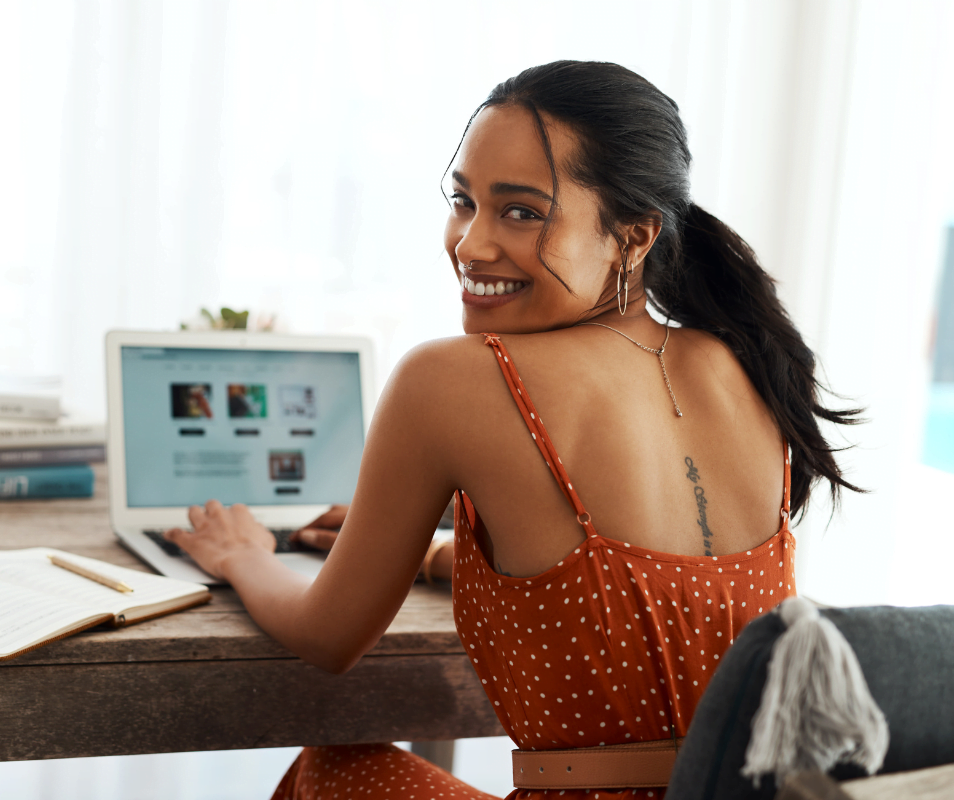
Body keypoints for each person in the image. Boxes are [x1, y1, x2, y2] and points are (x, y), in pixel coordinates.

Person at [164, 60, 859, 799]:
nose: (471, 244)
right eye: (464, 201)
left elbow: (329, 638)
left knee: (331, 768)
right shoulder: (740, 360)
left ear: (632, 237)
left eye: (522, 212)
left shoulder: (455, 378)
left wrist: (243, 556)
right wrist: (435, 556)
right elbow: (652, 598)